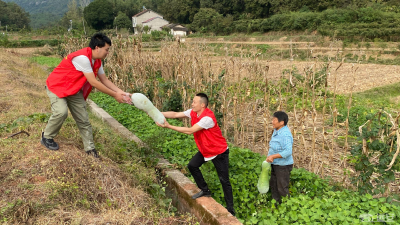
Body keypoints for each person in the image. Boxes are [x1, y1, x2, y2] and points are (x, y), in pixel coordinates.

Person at [40, 33, 131, 158]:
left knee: (83, 119)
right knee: (61, 112)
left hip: (73, 89)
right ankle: (47, 137)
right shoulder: (83, 58)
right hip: (57, 87)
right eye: (107, 49)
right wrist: (115, 95)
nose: (108, 52)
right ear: (97, 48)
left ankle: (90, 149)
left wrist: (122, 92)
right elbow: (93, 82)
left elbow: (104, 80)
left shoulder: (97, 61)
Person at [156, 93, 235, 216]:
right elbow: (176, 114)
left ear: (202, 105)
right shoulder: (193, 112)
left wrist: (168, 126)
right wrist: (157, 113)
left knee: (224, 180)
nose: (192, 104)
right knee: (192, 166)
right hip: (205, 149)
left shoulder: (207, 118)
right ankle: (205, 190)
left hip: (219, 151)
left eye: (194, 102)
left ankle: (231, 209)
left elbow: (190, 130)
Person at [266, 111, 294, 205]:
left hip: (283, 165)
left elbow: (288, 151)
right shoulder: (277, 130)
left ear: (282, 122)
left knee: (282, 187)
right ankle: (276, 205)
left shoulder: (285, 134)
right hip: (276, 164)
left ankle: (287, 206)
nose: (272, 121)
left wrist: (273, 156)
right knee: (273, 184)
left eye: (274, 120)